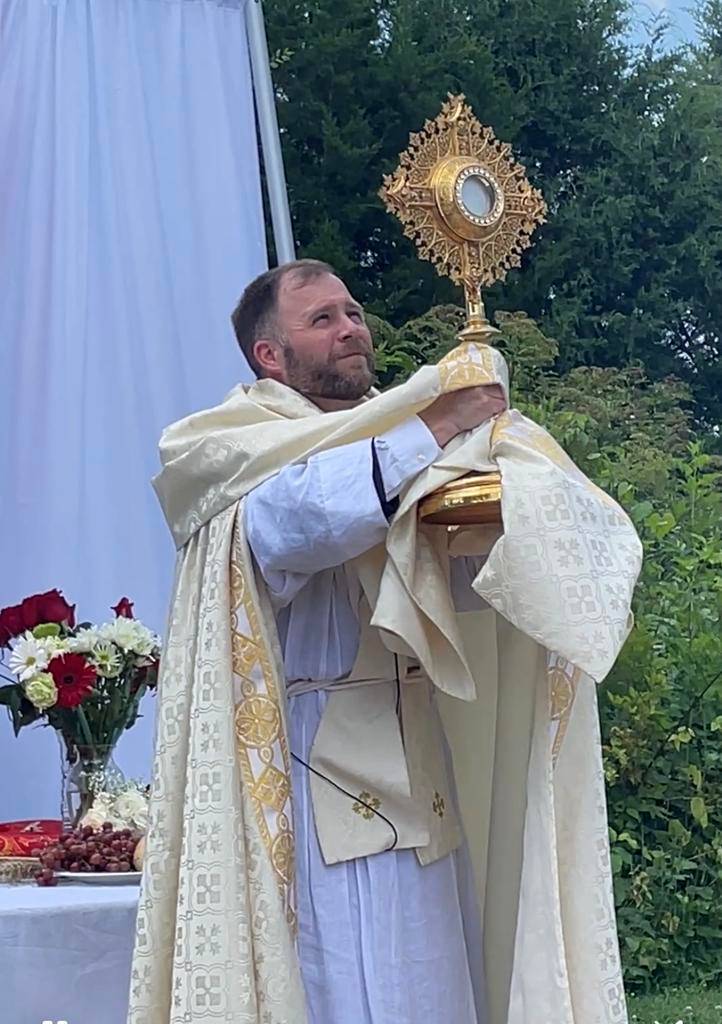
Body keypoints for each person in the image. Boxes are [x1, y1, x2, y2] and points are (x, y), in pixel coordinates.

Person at [129, 260, 642, 1024]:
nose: (350, 329)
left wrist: (511, 491)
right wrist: (438, 424)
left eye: (353, 311)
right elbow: (303, 524)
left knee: (438, 980)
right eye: (323, 319)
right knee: (350, 988)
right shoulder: (234, 447)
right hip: (312, 773)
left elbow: (454, 585)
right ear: (270, 355)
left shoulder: (388, 435)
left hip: (421, 766)